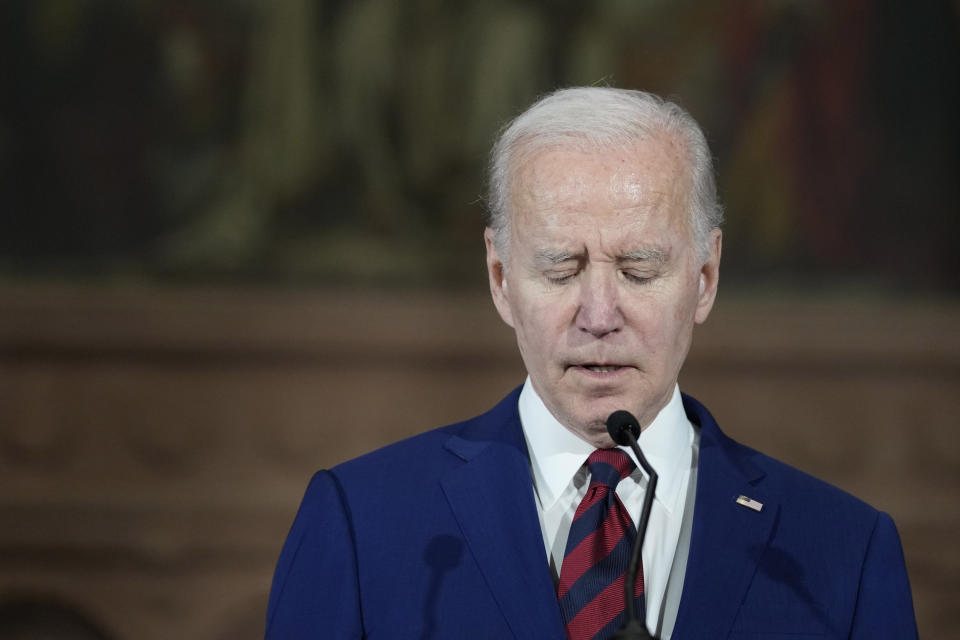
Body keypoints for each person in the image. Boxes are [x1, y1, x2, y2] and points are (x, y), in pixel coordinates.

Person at [265, 88, 917, 639]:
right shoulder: (362, 524)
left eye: (638, 271)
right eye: (560, 269)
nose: (599, 314)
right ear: (500, 279)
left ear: (706, 277)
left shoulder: (839, 552)